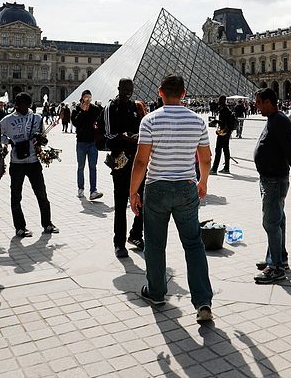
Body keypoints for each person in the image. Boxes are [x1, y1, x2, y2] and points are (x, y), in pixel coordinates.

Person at [129, 74, 214, 322]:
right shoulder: (197, 121)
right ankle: (203, 302)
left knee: (155, 244)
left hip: (157, 188)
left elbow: (142, 160)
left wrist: (132, 191)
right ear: (184, 94)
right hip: (187, 186)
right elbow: (206, 158)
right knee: (193, 244)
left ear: (160, 92)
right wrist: (203, 182)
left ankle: (156, 292)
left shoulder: (150, 120)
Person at [252, 87, 291, 284]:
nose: (257, 106)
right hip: (271, 178)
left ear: (269, 102)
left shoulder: (279, 121)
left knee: (271, 222)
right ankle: (279, 258)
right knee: (277, 220)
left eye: (259, 102)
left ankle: (276, 267)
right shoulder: (275, 120)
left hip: (274, 179)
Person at [0, 93, 58, 237]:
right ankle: (20, 227)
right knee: (16, 196)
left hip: (33, 161)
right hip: (17, 162)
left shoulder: (37, 118)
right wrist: (9, 142)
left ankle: (47, 223)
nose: (25, 108)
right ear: (16, 105)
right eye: (22, 105)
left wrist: (41, 139)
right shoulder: (7, 120)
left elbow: (44, 139)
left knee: (42, 194)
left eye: (27, 105)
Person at [100, 79, 144, 256]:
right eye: (125, 88)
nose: (128, 91)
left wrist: (136, 136)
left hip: (137, 161)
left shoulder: (136, 107)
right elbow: (108, 133)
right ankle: (119, 243)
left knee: (142, 200)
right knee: (120, 204)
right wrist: (124, 138)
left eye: (130, 89)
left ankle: (135, 234)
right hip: (119, 161)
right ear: (118, 88)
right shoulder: (111, 108)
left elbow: (143, 130)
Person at [71, 89, 103, 201]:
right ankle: (80, 188)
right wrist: (82, 112)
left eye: (90, 97)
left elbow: (101, 120)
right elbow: (75, 123)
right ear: (82, 97)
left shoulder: (95, 109)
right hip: (81, 142)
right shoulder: (76, 109)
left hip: (92, 142)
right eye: (86, 97)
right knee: (81, 167)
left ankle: (93, 190)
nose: (88, 99)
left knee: (93, 167)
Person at [210, 95, 235, 174]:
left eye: (219, 100)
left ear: (222, 101)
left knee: (218, 150)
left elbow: (222, 122)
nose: (218, 101)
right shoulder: (227, 109)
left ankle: (214, 169)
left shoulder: (223, 110)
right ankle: (227, 168)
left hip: (223, 132)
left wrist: (216, 121)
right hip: (227, 132)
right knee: (226, 149)